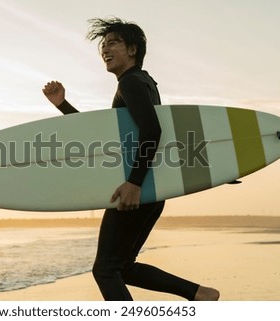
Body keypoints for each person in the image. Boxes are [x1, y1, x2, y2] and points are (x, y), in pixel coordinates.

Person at [42, 17, 219, 301]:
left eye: (113, 42)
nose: (105, 49)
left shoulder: (131, 83)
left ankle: (196, 295)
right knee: (122, 267)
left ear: (132, 50)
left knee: (105, 270)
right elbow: (106, 140)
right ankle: (199, 294)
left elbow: (153, 129)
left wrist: (134, 183)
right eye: (103, 45)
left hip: (137, 187)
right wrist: (62, 104)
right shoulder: (142, 82)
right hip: (151, 189)